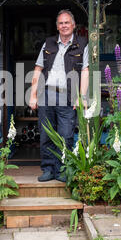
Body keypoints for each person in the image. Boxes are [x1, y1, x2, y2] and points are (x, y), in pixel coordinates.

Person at [29, 9, 89, 182]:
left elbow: (85, 71)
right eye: (61, 23)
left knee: (66, 134)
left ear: (73, 25)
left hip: (68, 95)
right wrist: (33, 95)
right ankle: (48, 168)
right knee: (46, 133)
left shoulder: (82, 44)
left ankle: (63, 169)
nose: (64, 26)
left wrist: (82, 96)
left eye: (67, 22)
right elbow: (38, 69)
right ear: (57, 26)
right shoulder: (48, 43)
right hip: (46, 93)